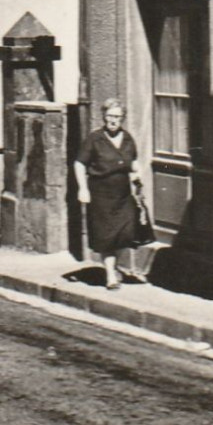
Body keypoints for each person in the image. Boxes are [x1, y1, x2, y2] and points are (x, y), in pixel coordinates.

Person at [73, 98, 145, 290]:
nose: (113, 120)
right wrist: (83, 188)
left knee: (126, 233)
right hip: (101, 194)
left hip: (123, 194)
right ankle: (111, 275)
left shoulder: (128, 138)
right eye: (110, 116)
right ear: (104, 116)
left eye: (118, 117)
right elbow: (80, 164)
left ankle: (114, 266)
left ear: (123, 119)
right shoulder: (94, 139)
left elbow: (133, 161)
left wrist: (137, 173)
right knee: (106, 236)